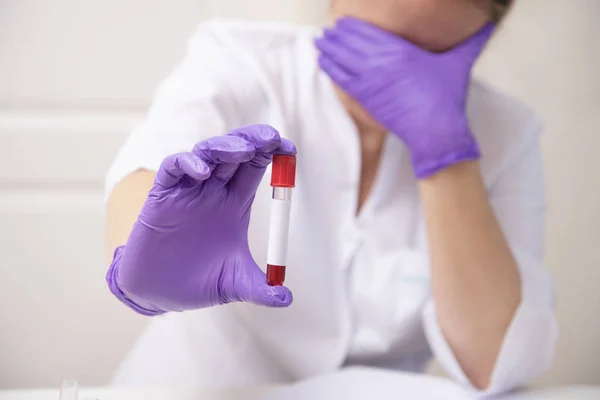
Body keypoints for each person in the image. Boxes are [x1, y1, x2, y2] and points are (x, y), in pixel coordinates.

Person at [104, 0, 557, 395]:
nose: (390, 74)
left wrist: (445, 154)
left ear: (480, 38)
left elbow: (492, 363)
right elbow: (140, 187)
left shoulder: (507, 134)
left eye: (429, 55)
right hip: (196, 389)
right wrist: (151, 259)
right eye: (373, 40)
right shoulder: (239, 61)